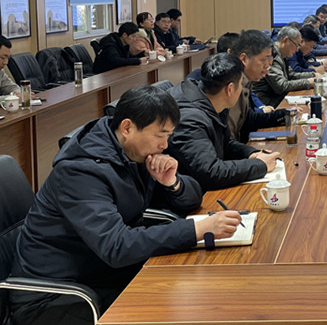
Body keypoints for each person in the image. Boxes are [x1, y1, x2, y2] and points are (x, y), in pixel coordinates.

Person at [9, 86, 241, 325]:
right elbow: (116, 246)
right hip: (56, 297)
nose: (165, 145)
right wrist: (196, 229)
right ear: (127, 128)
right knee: (181, 307)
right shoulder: (80, 172)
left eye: (169, 135)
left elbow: (192, 199)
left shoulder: (131, 150)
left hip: (102, 274)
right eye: (160, 135)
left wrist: (171, 182)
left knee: (196, 289)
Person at [166, 53, 281, 191]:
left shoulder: (212, 100)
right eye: (240, 84)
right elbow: (210, 173)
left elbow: (225, 143)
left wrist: (252, 153)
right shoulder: (189, 120)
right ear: (230, 89)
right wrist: (260, 165)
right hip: (192, 194)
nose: (241, 89)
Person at [228, 29, 290, 142]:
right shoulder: (230, 85)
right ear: (244, 59)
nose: (267, 69)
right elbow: (230, 138)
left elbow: (248, 120)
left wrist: (286, 114)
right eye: (263, 60)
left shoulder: (245, 81)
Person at [253, 25, 314, 107]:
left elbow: (291, 75)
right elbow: (281, 87)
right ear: (286, 40)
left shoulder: (282, 54)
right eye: (296, 45)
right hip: (269, 103)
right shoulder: (272, 55)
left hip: (277, 99)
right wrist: (308, 83)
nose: (297, 50)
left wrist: (313, 75)